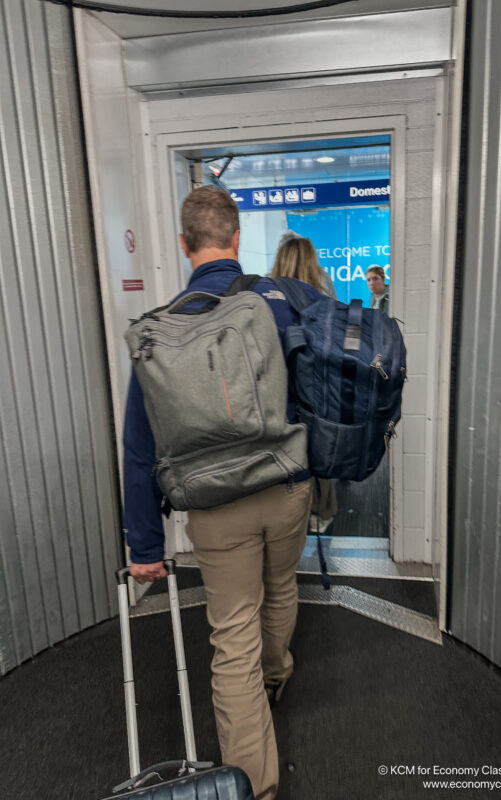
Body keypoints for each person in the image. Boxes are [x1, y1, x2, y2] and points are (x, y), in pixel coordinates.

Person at [123, 186, 322, 800]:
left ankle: (253, 787)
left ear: (186, 246)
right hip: (286, 485)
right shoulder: (283, 302)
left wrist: (146, 543)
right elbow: (321, 389)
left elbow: (138, 445)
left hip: (213, 506)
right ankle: (276, 675)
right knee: (281, 587)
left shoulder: (159, 332)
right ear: (236, 237)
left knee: (231, 631)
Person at [271, 232, 338, 532]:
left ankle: (287, 517)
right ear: (312, 261)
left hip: (275, 396)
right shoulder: (323, 299)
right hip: (317, 394)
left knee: (280, 458)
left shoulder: (262, 298)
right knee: (318, 454)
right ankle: (321, 514)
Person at [271, 230, 337, 298]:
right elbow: (334, 306)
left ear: (281, 255)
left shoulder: (268, 282)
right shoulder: (322, 278)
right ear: (310, 256)